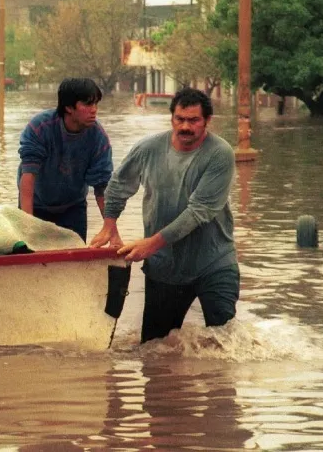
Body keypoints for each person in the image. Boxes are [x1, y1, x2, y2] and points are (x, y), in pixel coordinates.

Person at [90, 88, 239, 343]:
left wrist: (150, 244)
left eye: (193, 120)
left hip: (214, 263)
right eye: (180, 119)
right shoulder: (148, 148)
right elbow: (118, 185)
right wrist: (109, 225)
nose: (185, 127)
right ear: (171, 118)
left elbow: (198, 212)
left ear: (207, 122)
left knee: (225, 346)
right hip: (165, 267)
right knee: (153, 350)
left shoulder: (220, 154)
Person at [17, 77, 113, 242]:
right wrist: (27, 224)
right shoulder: (40, 127)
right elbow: (28, 176)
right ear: (69, 107)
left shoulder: (98, 137)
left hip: (73, 206)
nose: (94, 110)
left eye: (96, 104)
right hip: (37, 203)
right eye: (87, 104)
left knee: (74, 256)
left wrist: (111, 230)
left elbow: (101, 187)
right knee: (32, 255)